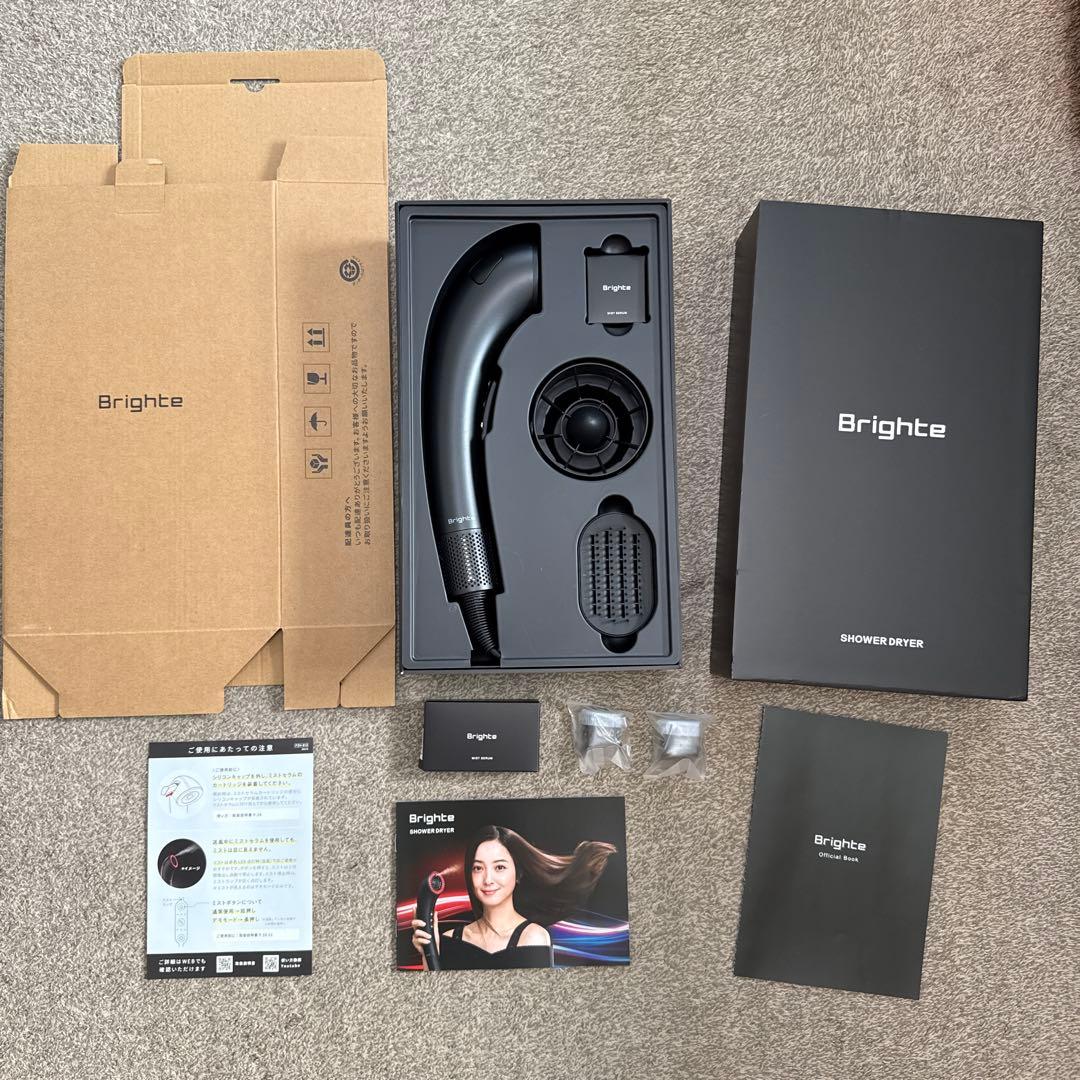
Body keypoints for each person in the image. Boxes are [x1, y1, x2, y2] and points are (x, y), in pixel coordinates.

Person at [411, 824, 616, 970]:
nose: (487, 879)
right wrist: (429, 953)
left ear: (518, 874)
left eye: (499, 867)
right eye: (478, 868)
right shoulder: (448, 940)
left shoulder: (534, 937)